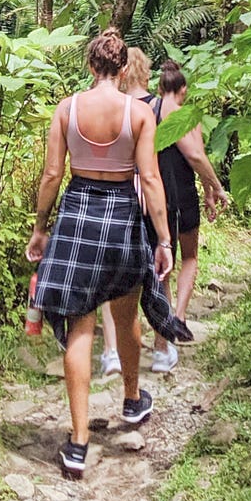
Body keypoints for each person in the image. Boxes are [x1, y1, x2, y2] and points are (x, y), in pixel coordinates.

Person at [26, 28, 185, 478]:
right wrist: (163, 239)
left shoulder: (67, 109)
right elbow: (150, 181)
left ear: (92, 66)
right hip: (121, 217)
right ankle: (132, 400)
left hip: (77, 214)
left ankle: (77, 444)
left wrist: (41, 229)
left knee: (80, 327)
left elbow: (53, 174)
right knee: (126, 313)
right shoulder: (138, 115)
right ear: (120, 69)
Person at [149, 60, 227, 374]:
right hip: (181, 195)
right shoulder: (185, 115)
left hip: (155, 198)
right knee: (189, 257)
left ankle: (163, 336)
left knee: (162, 265)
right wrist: (215, 188)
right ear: (183, 90)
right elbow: (197, 156)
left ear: (159, 87)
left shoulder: (147, 111)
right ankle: (177, 318)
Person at [97, 45, 154, 379]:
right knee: (140, 280)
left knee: (108, 280)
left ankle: (110, 351)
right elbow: (150, 169)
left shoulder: (98, 109)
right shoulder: (147, 111)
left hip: (105, 199)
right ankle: (157, 345)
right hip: (139, 199)